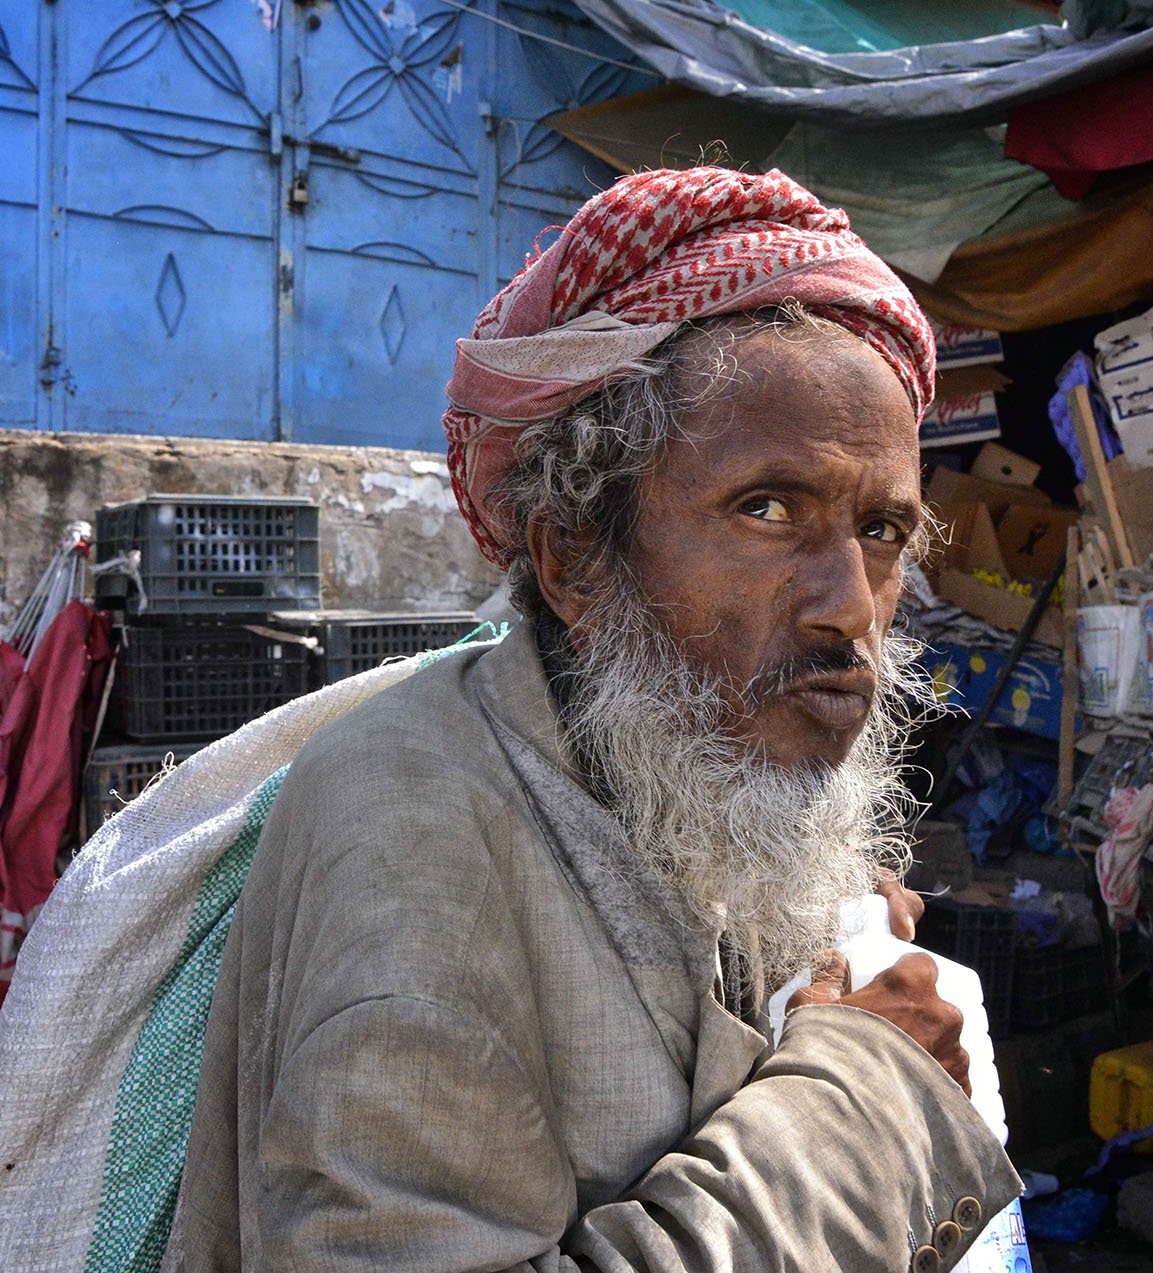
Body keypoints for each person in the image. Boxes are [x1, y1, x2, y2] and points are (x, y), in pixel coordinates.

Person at [169, 167, 1020, 1272]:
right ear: (573, 555)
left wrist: (806, 935)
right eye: (766, 509)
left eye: (880, 532)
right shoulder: (414, 837)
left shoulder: (673, 751)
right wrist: (866, 1086)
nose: (848, 607)